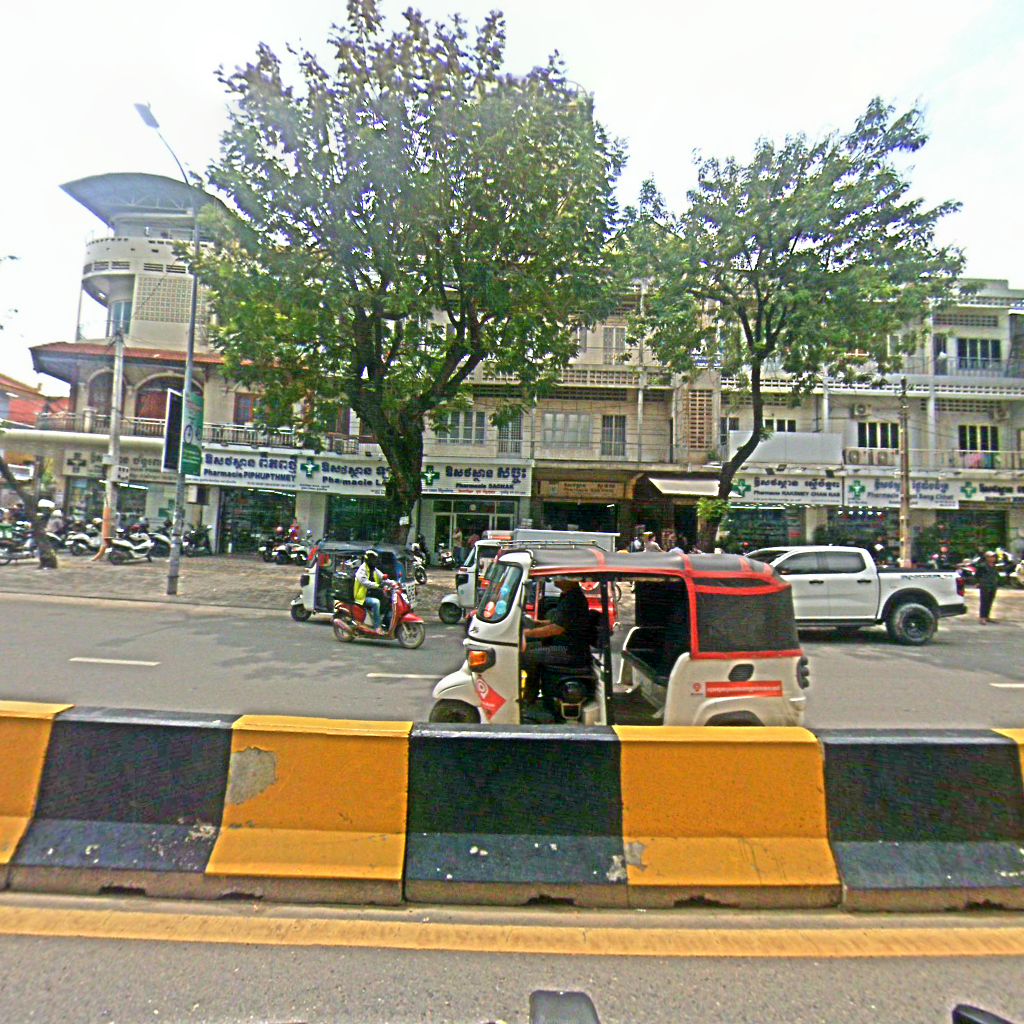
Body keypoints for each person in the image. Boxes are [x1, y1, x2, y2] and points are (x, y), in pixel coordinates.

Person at [521, 578, 592, 704]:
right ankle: (532, 692)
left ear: (570, 580)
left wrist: (526, 633)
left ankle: (530, 696)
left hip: (570, 651)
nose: (555, 579)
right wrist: (538, 623)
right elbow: (559, 621)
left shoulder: (573, 599)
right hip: (562, 644)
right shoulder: (567, 596)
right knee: (528, 647)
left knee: (528, 656)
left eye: (560, 576)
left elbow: (556, 629)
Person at [354, 549, 387, 632]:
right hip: (362, 596)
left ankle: (383, 620)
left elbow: (382, 577)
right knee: (376, 603)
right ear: (368, 559)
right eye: (373, 559)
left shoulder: (373, 569)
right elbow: (365, 582)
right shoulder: (362, 570)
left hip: (370, 593)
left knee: (387, 598)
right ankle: (377, 626)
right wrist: (377, 585)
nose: (374, 561)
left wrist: (393, 583)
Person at [975, 550, 1000, 624]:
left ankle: (987, 616)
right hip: (985, 585)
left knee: (990, 601)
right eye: (990, 557)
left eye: (994, 557)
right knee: (984, 601)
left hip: (993, 585)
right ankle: (982, 617)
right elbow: (977, 575)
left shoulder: (995, 566)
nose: (992, 559)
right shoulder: (982, 566)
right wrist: (978, 583)